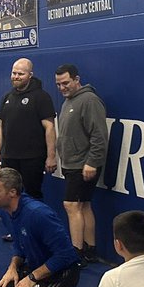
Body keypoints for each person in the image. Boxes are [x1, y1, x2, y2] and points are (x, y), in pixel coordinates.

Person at [0, 167, 84, 287]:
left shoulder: (38, 214)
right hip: (36, 269)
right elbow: (20, 247)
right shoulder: (7, 211)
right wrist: (12, 268)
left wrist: (32, 278)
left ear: (12, 192)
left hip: (62, 274)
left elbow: (66, 255)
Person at [53, 64, 108, 263]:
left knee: (71, 205)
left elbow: (99, 136)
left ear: (77, 79)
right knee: (83, 205)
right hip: (72, 164)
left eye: (66, 83)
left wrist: (92, 162)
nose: (62, 87)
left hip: (82, 164)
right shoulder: (68, 101)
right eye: (58, 84)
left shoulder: (90, 100)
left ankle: (76, 253)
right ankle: (90, 249)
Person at [0, 58, 57, 205]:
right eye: (14, 73)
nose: (16, 76)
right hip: (9, 157)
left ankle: (33, 228)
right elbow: (0, 126)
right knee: (8, 196)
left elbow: (50, 128)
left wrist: (51, 156)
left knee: (31, 196)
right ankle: (14, 228)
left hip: (32, 158)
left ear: (30, 75)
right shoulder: (7, 97)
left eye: (20, 74)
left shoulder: (41, 97)